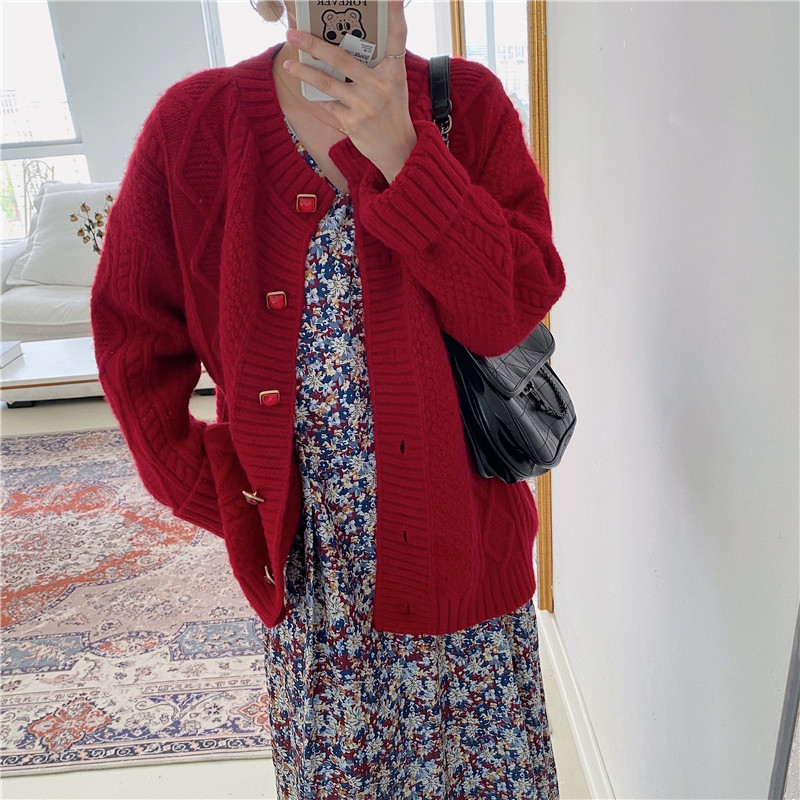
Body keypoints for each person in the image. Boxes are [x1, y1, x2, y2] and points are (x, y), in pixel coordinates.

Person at [91, 0, 566, 796]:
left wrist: (405, 152)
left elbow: (510, 310)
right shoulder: (192, 127)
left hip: (463, 576)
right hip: (317, 602)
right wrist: (220, 492)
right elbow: (133, 337)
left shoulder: (466, 104)